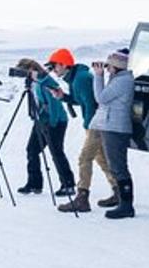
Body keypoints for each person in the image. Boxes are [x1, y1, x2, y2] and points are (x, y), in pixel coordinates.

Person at [47, 48, 119, 213]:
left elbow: (94, 104)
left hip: (96, 125)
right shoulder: (75, 78)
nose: (53, 70)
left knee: (84, 158)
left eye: (54, 66)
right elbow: (81, 100)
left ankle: (82, 198)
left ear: (64, 64)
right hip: (94, 124)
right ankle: (118, 190)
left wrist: (91, 125)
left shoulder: (81, 79)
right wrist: (63, 97)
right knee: (101, 159)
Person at [16, 57, 76, 197]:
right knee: (32, 150)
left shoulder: (47, 82)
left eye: (24, 72)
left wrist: (52, 124)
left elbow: (55, 105)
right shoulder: (37, 82)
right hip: (41, 120)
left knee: (56, 153)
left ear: (31, 70)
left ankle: (68, 185)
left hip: (56, 121)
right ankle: (34, 183)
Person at [93, 48, 136, 219]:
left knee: (118, 167)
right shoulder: (118, 79)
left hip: (116, 128)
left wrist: (98, 76)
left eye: (110, 65)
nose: (107, 68)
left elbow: (101, 98)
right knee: (116, 166)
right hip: (112, 126)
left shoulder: (122, 81)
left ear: (117, 66)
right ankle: (122, 202)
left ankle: (126, 205)